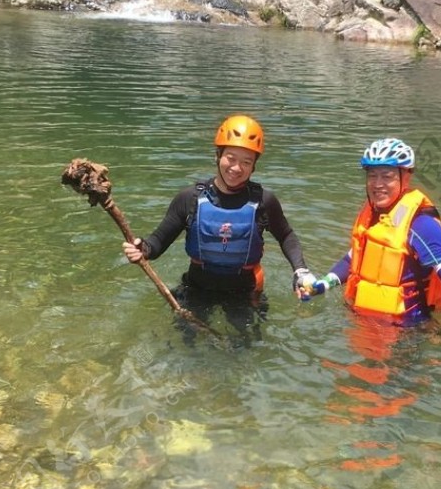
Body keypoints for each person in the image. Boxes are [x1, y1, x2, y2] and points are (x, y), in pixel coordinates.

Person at [305, 137, 441, 362]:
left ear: (406, 177)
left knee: (390, 397)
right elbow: (355, 257)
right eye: (372, 175)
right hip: (363, 324)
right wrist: (324, 284)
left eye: (387, 176)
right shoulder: (374, 215)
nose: (377, 184)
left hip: (407, 336)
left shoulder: (421, 225)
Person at [122, 114, 315, 331]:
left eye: (246, 162)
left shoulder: (264, 202)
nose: (236, 168)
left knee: (243, 349)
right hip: (197, 288)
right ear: (217, 155)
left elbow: (286, 235)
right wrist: (143, 249)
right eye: (230, 158)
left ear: (254, 167)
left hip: (245, 293)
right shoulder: (189, 199)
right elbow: (157, 241)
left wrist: (301, 270)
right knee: (188, 345)